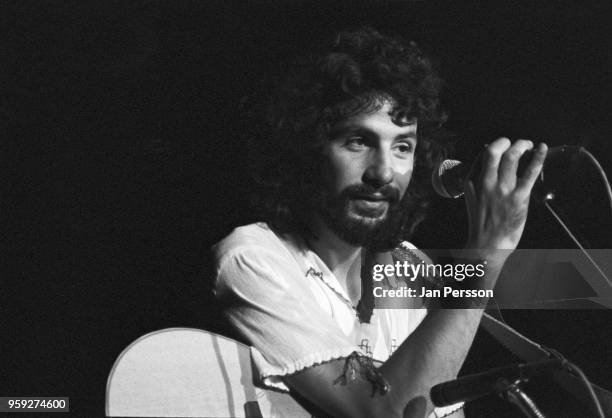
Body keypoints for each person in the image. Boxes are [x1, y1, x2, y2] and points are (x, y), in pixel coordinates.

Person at [213, 27, 548, 418]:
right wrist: (485, 257)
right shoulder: (253, 258)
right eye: (358, 141)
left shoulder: (410, 270)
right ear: (307, 150)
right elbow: (385, 412)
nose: (383, 172)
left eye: (403, 146)